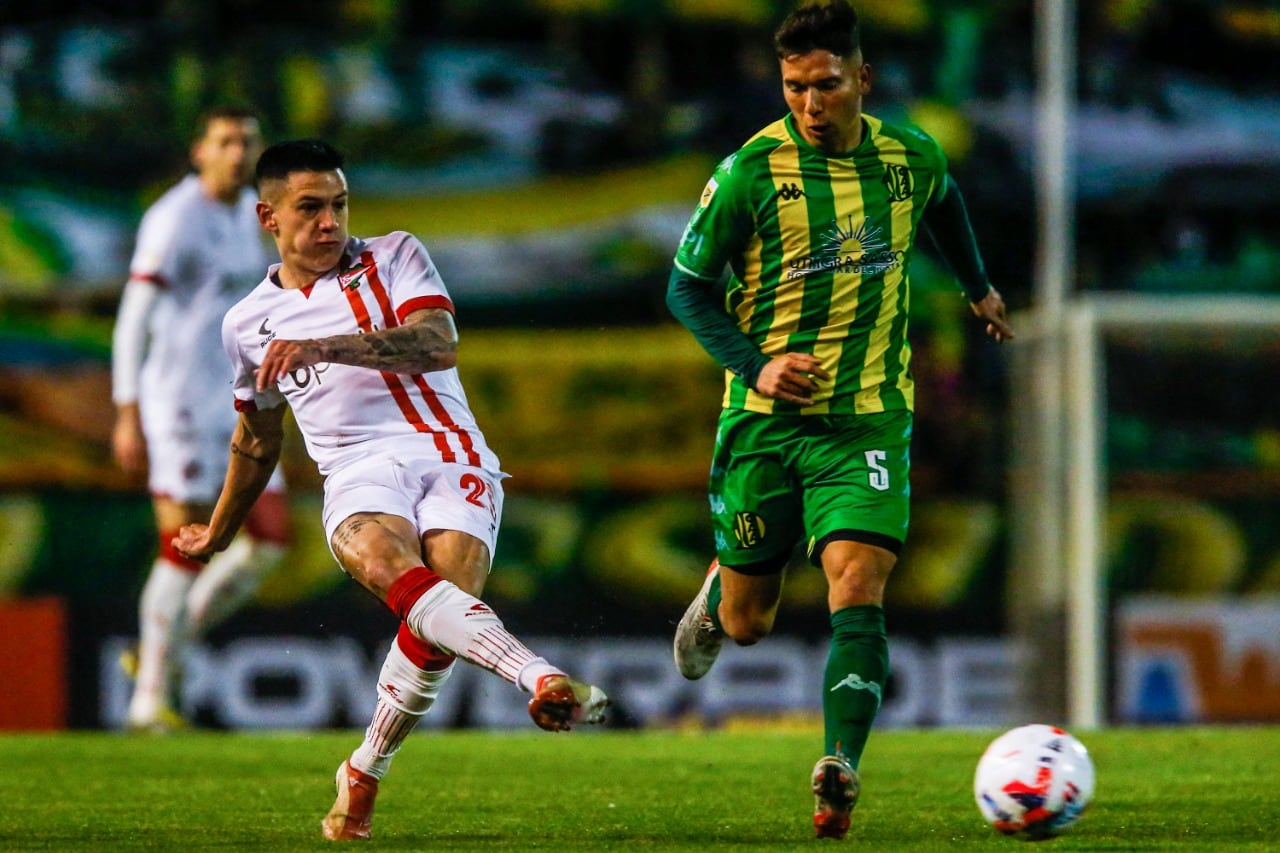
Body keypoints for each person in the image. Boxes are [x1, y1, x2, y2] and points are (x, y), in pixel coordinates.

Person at [171, 139, 608, 842]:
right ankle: (538, 674)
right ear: (267, 217)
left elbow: (437, 343)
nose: (329, 222)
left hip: (450, 450)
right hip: (356, 469)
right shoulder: (246, 325)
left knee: (443, 600)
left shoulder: (396, 253)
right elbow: (256, 439)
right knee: (386, 564)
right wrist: (219, 530)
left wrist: (323, 347)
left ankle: (365, 768)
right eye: (309, 208)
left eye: (338, 205)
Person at [667, 0, 1013, 841]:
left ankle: (839, 765)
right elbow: (686, 289)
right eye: (793, 88)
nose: (809, 105)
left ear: (863, 79)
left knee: (858, 584)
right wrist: (758, 363)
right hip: (762, 423)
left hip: (866, 420)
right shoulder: (750, 172)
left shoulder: (909, 155)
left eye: (824, 85)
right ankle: (726, 586)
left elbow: (947, 204)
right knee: (750, 623)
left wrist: (976, 287)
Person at [111, 105, 293, 733]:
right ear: (199, 151)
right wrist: (127, 409)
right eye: (225, 142)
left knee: (268, 540)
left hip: (238, 402)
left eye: (248, 141)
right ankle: (147, 702)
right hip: (178, 402)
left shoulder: (253, 215)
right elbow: (135, 315)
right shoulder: (174, 219)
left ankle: (162, 650)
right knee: (183, 545)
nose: (238, 153)